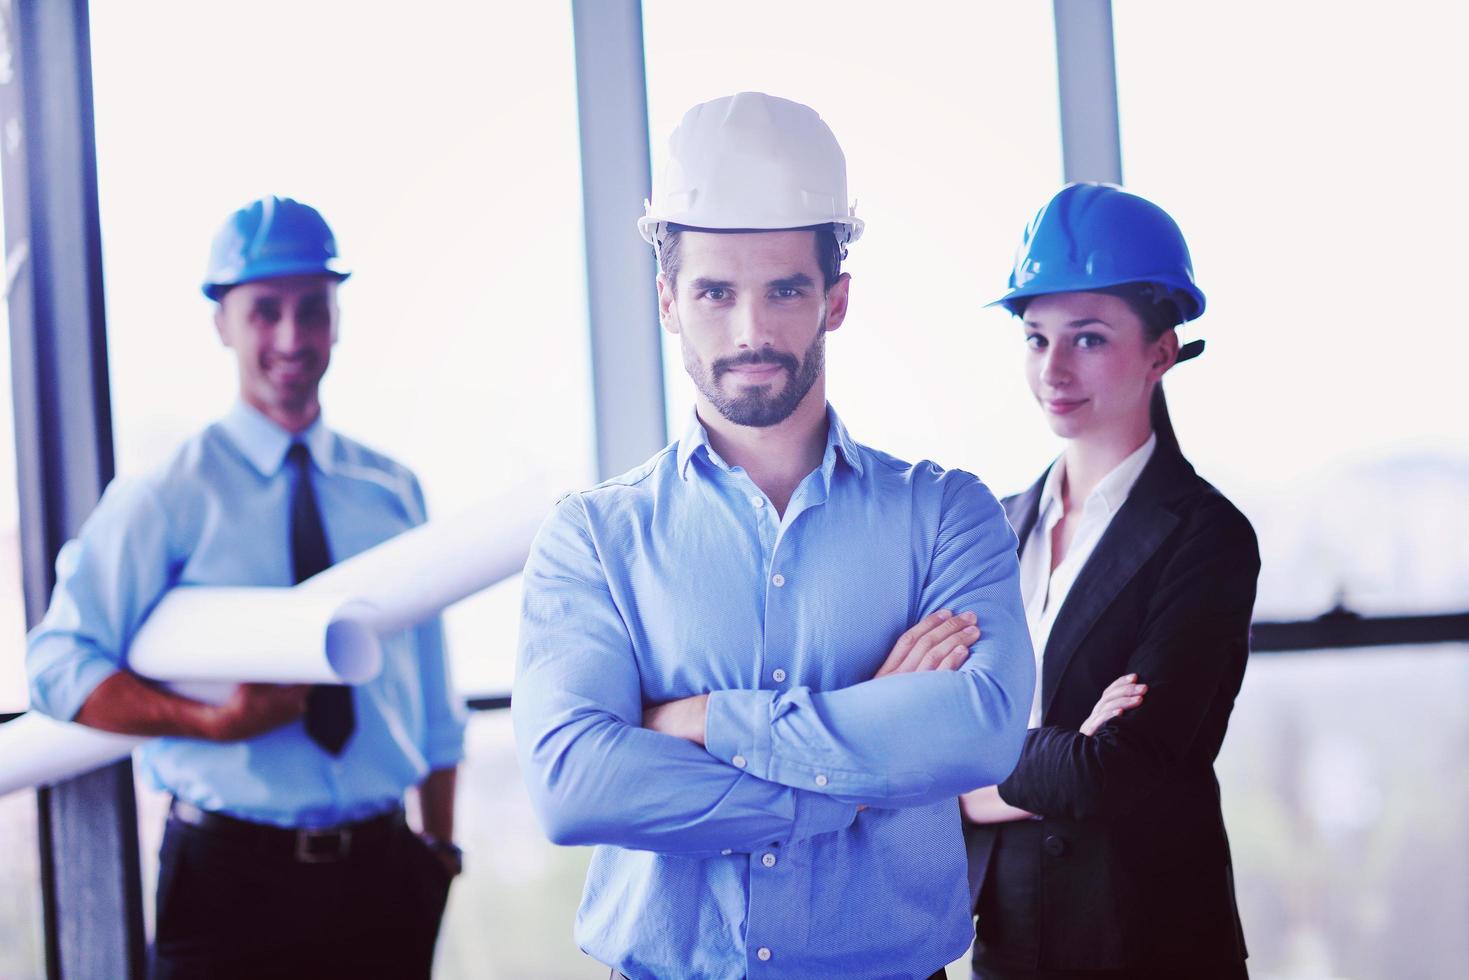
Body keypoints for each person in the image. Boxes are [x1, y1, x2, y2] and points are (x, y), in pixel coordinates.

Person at [513, 92, 1034, 980]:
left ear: (834, 299)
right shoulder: (592, 538)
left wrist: (703, 721)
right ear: (668, 300)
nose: (750, 332)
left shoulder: (947, 515)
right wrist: (850, 784)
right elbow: (572, 786)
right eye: (715, 293)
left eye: (785, 289)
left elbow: (980, 735)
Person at [25, 196, 466, 980]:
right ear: (222, 324)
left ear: (338, 316)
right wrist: (210, 722)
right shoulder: (167, 496)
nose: (292, 338)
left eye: (312, 309)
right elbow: (58, 662)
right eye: (265, 312)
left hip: (385, 876)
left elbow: (433, 704)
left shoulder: (393, 492)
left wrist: (438, 852)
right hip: (229, 880)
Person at [960, 183, 1260, 979]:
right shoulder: (990, 529)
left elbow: (1114, 771)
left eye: (1087, 339)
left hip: (1147, 943)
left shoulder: (1206, 536)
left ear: (1160, 350)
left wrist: (973, 773)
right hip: (1005, 943)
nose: (1053, 368)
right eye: (1034, 338)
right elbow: (923, 747)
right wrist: (1058, 752)